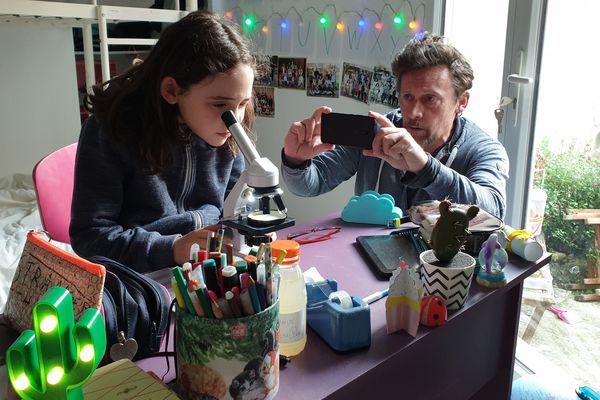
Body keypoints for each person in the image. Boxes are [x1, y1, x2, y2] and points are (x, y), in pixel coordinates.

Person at [70, 11, 258, 272]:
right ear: (172, 90)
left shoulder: (228, 132)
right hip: (140, 272)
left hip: (205, 267)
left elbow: (233, 209)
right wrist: (173, 248)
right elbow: (90, 237)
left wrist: (251, 229)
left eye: (242, 104)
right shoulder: (111, 130)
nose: (234, 120)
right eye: (220, 105)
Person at [281, 32, 509, 220]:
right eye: (407, 97)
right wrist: (295, 160)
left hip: (440, 271)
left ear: (462, 102)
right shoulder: (377, 132)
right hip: (372, 261)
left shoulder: (484, 149)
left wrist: (425, 168)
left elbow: (494, 211)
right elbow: (311, 185)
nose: (413, 112)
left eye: (430, 99)